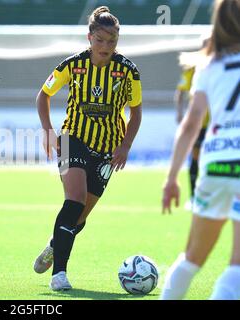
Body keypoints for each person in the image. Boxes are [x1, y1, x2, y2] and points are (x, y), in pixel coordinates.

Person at [34, 6, 142, 291]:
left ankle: (54, 245)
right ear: (89, 37)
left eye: (112, 41)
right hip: (73, 138)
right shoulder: (73, 65)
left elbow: (136, 111)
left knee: (79, 217)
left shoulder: (128, 71)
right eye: (100, 40)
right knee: (75, 199)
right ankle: (59, 274)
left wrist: (125, 144)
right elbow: (43, 95)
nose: (106, 47)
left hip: (108, 148)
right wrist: (48, 130)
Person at [161, 0, 240, 300]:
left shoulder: (209, 67)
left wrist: (170, 179)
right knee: (237, 266)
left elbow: (191, 124)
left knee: (192, 257)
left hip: (215, 164)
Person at [174, 39, 210, 211]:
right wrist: (180, 113)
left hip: (216, 124)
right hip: (199, 123)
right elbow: (181, 91)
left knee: (211, 160)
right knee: (195, 158)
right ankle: (194, 197)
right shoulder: (193, 68)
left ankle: (207, 196)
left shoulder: (220, 66)